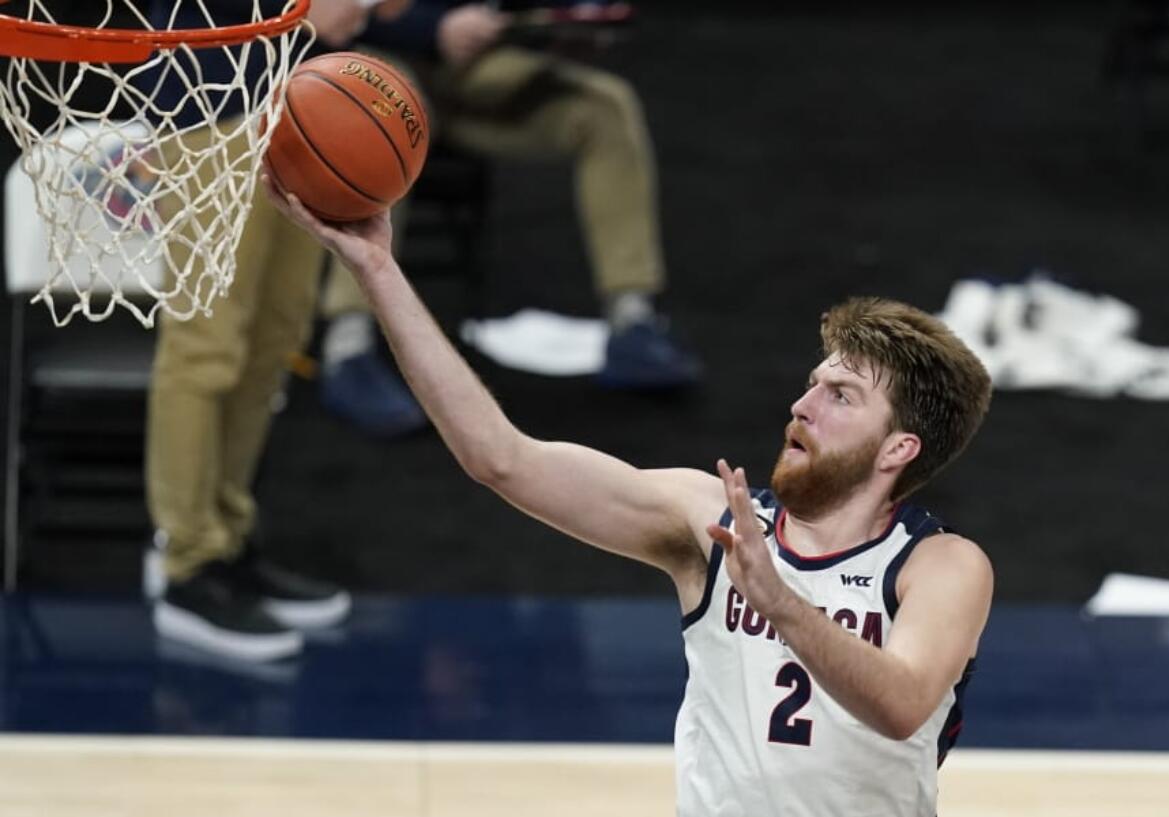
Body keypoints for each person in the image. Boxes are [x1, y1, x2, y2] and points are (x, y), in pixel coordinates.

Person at [265, 170, 995, 814]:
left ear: (899, 447)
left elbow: (901, 704)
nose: (803, 405)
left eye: (841, 395)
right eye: (812, 384)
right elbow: (502, 458)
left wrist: (779, 602)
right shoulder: (706, 522)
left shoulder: (941, 566)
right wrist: (378, 270)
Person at [143, 0, 407, 663]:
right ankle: (186, 564)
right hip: (208, 89)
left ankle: (227, 541)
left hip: (295, 96)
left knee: (274, 338)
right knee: (207, 344)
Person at [315, 0, 703, 436]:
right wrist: (432, 27)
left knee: (606, 106)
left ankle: (632, 319)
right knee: (381, 126)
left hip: (476, 63)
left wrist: (553, 30)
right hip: (380, 57)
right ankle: (347, 347)